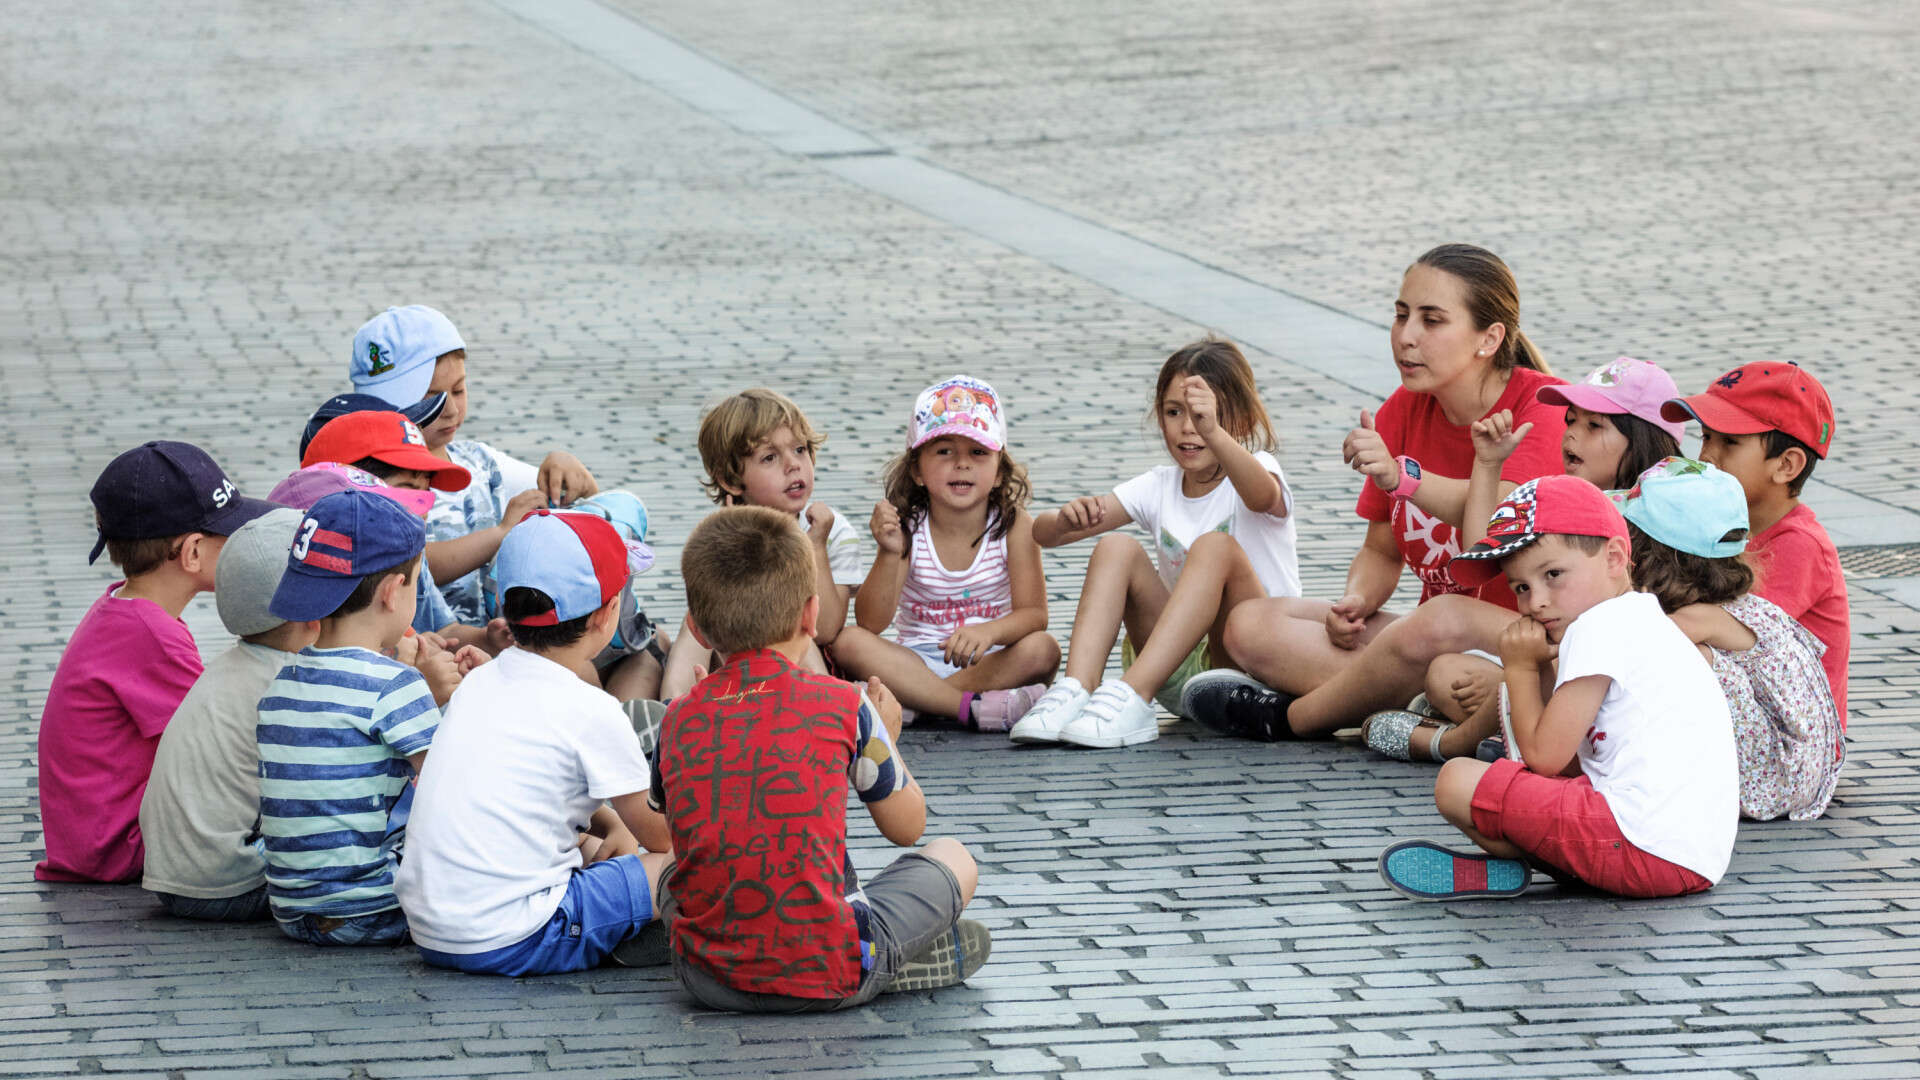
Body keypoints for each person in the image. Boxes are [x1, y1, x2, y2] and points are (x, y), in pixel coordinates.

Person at [1183, 244, 1568, 741]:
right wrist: (1356, 601)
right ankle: (1414, 704)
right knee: (1249, 625)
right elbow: (1381, 551)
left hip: (1527, 635)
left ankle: (1295, 716)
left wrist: (1401, 477)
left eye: (1432, 321)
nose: (1406, 337)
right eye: (1401, 315)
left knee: (1446, 652)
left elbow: (1497, 517)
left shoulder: (1542, 406)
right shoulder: (1403, 410)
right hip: (1428, 640)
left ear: (1489, 338)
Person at [653, 506, 989, 1010]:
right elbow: (907, 827)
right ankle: (881, 961)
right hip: (831, 970)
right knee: (954, 857)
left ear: (698, 630)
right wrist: (887, 738)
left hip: (708, 981)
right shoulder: (845, 705)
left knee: (662, 870)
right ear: (811, 615)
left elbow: (673, 836)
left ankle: (818, 959)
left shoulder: (677, 718)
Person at [1377, 475, 1738, 901]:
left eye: (1553, 574)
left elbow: (1546, 759)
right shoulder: (1639, 619)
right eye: (1521, 588)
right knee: (1520, 780)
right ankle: (1556, 863)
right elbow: (1570, 764)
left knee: (1456, 781)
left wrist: (1521, 669)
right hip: (1691, 859)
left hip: (1641, 845)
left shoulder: (1599, 627)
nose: (1536, 602)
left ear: (1615, 557)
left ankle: (1524, 861)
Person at [1361, 355, 1684, 761]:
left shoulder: (1670, 506)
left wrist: (1519, 673)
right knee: (1446, 674)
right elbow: (1484, 548)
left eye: (1593, 426)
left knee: (1479, 677)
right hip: (1562, 659)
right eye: (1570, 421)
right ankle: (1503, 726)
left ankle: (1456, 741)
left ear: (1644, 439)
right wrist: (1488, 464)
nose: (1571, 436)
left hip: (1622, 677)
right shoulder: (1565, 497)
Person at [395, 510, 673, 975]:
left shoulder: (479, 684)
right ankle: (631, 930)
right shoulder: (593, 710)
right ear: (607, 616)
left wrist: (613, 828)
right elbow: (664, 836)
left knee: (588, 845)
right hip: (517, 935)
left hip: (433, 932)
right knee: (694, 862)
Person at [1011, 338, 1298, 748]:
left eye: (1203, 413)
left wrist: (1214, 432)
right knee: (1116, 547)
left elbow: (1261, 496)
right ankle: (1076, 689)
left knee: (1214, 549)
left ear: (1244, 419)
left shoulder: (1260, 469)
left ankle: (1133, 693)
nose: (1188, 427)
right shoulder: (1158, 485)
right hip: (1176, 667)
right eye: (1174, 412)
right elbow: (1045, 534)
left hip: (1252, 666)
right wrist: (1064, 521)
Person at [37, 441, 278, 883]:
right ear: (192, 553)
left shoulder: (124, 610)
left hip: (95, 840)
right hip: (119, 846)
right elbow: (223, 745)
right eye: (232, 536)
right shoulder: (152, 635)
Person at [256, 490, 441, 945]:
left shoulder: (283, 681)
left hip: (292, 909)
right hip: (371, 907)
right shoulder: (394, 684)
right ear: (392, 592)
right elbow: (451, 790)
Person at [1615, 458, 1844, 820]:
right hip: (1803, 768)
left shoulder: (1696, 619)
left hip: (1774, 778)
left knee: (1678, 659)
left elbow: (1621, 649)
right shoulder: (1730, 604)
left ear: (1647, 555)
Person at [829, 375, 1060, 731]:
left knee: (1043, 649)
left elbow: (1034, 615)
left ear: (999, 472)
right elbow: (871, 623)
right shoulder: (909, 526)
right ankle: (964, 707)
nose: (962, 463)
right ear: (917, 470)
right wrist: (888, 552)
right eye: (944, 451)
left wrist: (990, 632)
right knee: (848, 642)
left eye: (978, 452)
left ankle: (916, 702)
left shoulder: (1016, 526)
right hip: (915, 661)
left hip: (988, 659)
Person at [347, 304, 599, 625]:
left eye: (459, 390)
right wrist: (501, 534)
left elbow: (573, 499)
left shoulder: (479, 461)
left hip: (490, 635)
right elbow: (415, 563)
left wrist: (563, 469)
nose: (451, 410)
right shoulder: (367, 479)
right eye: (430, 398)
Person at [138, 509, 311, 920]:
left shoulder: (231, 667)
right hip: (232, 882)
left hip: (174, 879)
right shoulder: (291, 684)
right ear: (315, 612)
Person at [1663, 362, 1849, 723]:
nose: (1706, 456)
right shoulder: (1722, 526)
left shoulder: (1800, 545)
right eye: (1705, 437)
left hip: (1790, 738)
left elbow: (1724, 631)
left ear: (1786, 465)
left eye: (1729, 442)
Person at [660, 388, 862, 699]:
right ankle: (674, 712)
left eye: (800, 449)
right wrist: (736, 547)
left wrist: (816, 546)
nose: (792, 465)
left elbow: (827, 628)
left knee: (793, 622)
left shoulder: (831, 530)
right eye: (770, 457)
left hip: (805, 666)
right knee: (695, 623)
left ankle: (829, 709)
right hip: (733, 663)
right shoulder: (721, 535)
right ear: (731, 481)